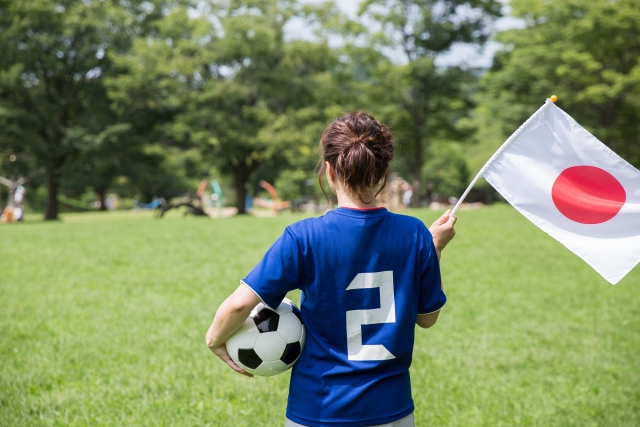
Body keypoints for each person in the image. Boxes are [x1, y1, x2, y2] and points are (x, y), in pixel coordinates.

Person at [205, 111, 457, 427]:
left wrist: (214, 339)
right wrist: (433, 248)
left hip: (319, 411)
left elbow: (241, 304)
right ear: (383, 172)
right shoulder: (416, 233)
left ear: (328, 170)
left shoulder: (302, 237)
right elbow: (427, 318)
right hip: (393, 411)